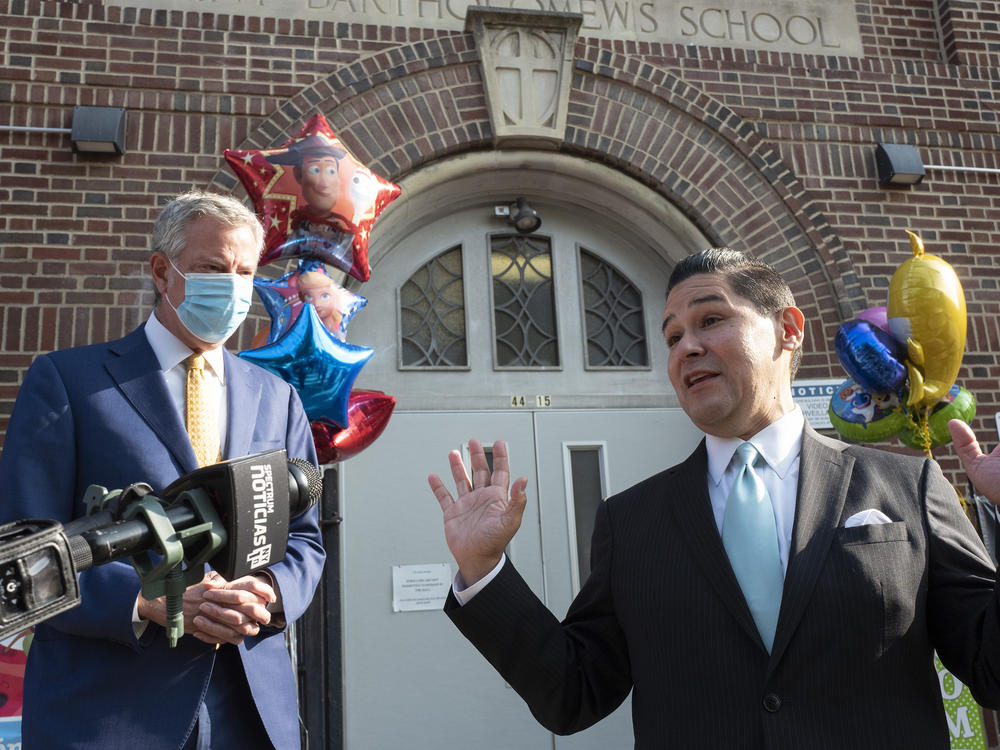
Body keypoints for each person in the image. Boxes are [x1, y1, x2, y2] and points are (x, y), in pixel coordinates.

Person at [428, 247, 1000, 749]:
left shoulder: (909, 486)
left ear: (788, 329)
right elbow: (572, 695)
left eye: (711, 320)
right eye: (673, 337)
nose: (687, 347)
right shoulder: (631, 522)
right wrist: (483, 569)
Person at [0, 191, 326, 750]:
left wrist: (267, 592)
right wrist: (145, 599)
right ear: (162, 271)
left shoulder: (277, 398)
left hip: (249, 708)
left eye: (244, 271)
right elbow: (18, 553)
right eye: (211, 268)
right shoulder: (68, 382)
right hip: (107, 713)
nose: (232, 286)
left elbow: (305, 540)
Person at [266, 134, 355, 269]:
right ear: (298, 175)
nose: (324, 183)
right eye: (315, 170)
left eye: (331, 171)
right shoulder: (297, 227)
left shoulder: (346, 233)